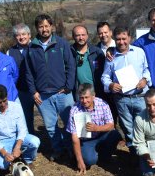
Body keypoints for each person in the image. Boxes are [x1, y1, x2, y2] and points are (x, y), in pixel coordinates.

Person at [25, 14, 75, 161]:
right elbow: (28, 72)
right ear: (37, 28)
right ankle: (58, 149)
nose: (44, 29)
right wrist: (33, 91)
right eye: (41, 26)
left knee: (69, 124)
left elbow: (70, 66)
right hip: (43, 96)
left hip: (63, 93)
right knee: (51, 126)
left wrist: (68, 87)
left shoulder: (61, 44)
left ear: (51, 27)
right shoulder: (32, 47)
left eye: (47, 26)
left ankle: (72, 149)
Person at [102, 26, 151, 154]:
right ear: (114, 40)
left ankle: (147, 155)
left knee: (144, 126)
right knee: (129, 129)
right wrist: (111, 85)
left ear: (129, 38)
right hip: (122, 99)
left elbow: (146, 69)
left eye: (124, 38)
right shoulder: (111, 56)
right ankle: (135, 155)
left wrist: (145, 80)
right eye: (118, 39)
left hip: (140, 97)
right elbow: (105, 76)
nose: (121, 42)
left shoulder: (139, 52)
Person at [66, 83, 122, 174]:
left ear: (93, 95)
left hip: (101, 134)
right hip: (86, 140)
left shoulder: (103, 104)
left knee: (115, 134)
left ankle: (104, 156)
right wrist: (79, 160)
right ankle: (88, 154)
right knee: (89, 161)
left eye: (87, 97)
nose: (84, 101)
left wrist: (96, 128)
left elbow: (111, 125)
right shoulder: (75, 110)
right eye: (81, 98)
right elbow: (75, 137)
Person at [0, 85, 40, 170]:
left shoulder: (16, 106)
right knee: (2, 166)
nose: (3, 104)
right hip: (3, 141)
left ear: (7, 96)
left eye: (4, 101)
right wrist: (5, 153)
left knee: (35, 141)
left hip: (17, 137)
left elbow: (22, 128)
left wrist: (17, 146)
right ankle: (11, 156)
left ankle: (27, 158)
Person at [7, 23, 35, 134]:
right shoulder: (10, 52)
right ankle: (30, 142)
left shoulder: (37, 48)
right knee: (26, 118)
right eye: (18, 35)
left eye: (24, 34)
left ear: (29, 35)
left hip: (39, 90)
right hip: (22, 91)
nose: (21, 37)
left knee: (49, 119)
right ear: (15, 37)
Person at [71, 25, 105, 100]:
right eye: (78, 35)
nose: (81, 38)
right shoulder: (70, 52)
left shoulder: (97, 52)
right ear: (73, 36)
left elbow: (105, 72)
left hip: (96, 93)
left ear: (87, 35)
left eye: (83, 35)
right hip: (79, 94)